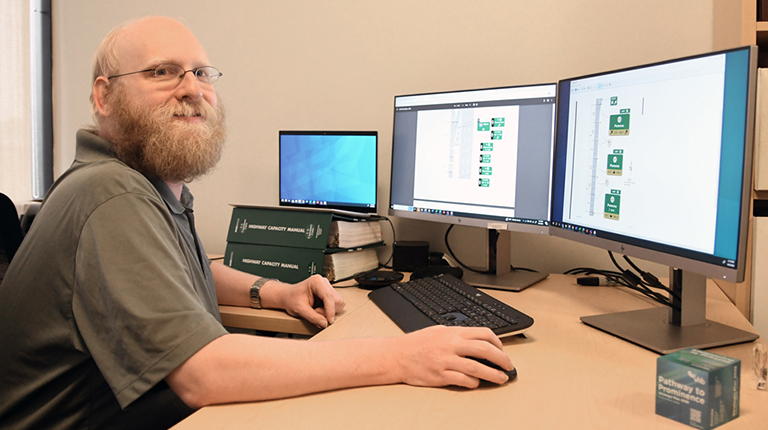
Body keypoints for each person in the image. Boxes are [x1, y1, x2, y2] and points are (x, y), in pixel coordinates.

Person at [0, 16, 513, 429]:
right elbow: (203, 374)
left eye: (202, 73)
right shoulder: (110, 194)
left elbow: (186, 267)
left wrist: (274, 291)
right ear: (103, 96)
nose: (192, 88)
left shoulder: (144, 182)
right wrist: (402, 356)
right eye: (162, 71)